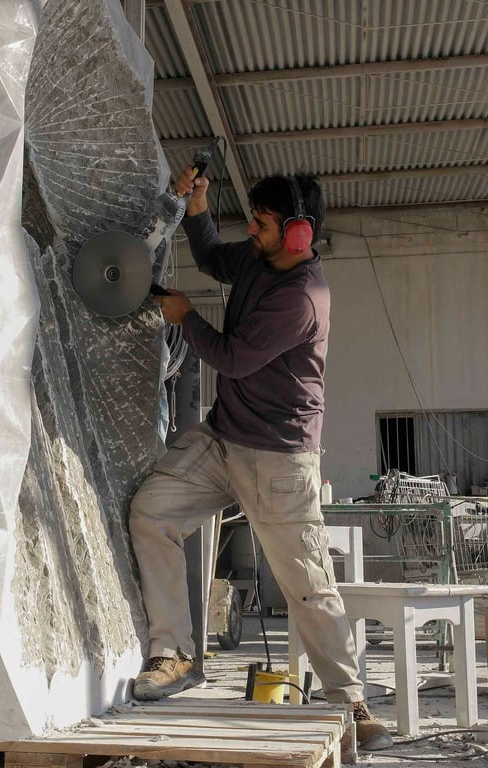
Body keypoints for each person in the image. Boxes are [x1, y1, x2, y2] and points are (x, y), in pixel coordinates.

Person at [128, 166, 392, 751]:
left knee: (306, 583)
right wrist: (196, 205)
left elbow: (233, 358)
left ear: (299, 234)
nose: (251, 229)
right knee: (152, 512)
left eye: (263, 223)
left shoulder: (302, 297)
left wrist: (183, 316)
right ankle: (173, 655)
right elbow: (213, 258)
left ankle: (350, 702)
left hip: (279, 459)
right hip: (225, 438)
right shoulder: (256, 259)